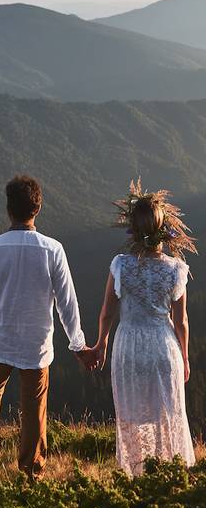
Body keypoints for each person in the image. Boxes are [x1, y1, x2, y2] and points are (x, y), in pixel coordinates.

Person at [0, 175, 96, 481]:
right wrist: (77, 343)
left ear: (8, 209)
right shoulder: (52, 249)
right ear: (37, 209)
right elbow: (67, 302)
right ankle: (31, 472)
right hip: (36, 343)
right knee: (34, 409)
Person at [89, 180, 197, 476]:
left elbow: (107, 312)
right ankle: (170, 476)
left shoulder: (121, 266)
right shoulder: (176, 269)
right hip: (163, 347)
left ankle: (138, 475)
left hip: (129, 348)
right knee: (168, 413)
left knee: (133, 413)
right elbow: (181, 321)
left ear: (133, 231)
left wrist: (101, 344)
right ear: (165, 229)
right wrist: (185, 357)